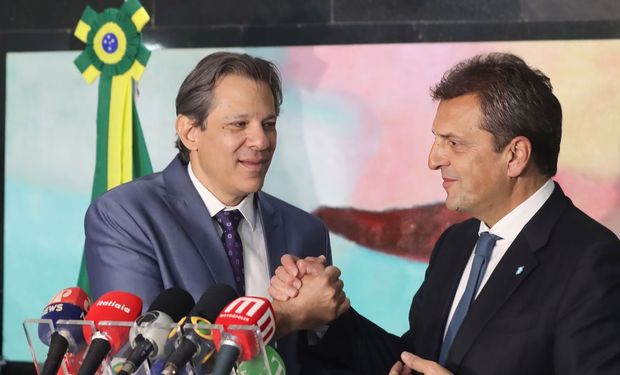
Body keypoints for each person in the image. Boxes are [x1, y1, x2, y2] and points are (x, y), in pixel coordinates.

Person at [270, 52, 620, 375]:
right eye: (437, 141)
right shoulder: (456, 243)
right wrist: (327, 315)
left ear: (515, 156)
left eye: (453, 143)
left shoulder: (592, 261)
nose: (433, 160)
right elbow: (411, 359)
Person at [84, 51, 347, 373]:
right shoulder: (125, 215)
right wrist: (285, 316)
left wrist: (326, 315)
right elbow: (139, 358)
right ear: (190, 132)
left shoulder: (305, 231)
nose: (261, 141)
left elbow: (323, 360)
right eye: (239, 124)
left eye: (268, 124)